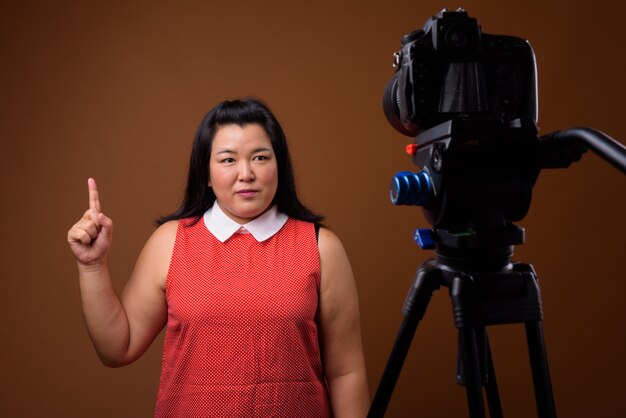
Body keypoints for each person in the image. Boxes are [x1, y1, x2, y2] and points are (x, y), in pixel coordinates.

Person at [67, 98, 370, 417]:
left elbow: (346, 374)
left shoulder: (321, 247)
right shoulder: (170, 242)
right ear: (206, 173)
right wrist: (92, 266)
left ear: (279, 165)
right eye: (228, 160)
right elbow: (118, 347)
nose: (246, 173)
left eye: (260, 157)